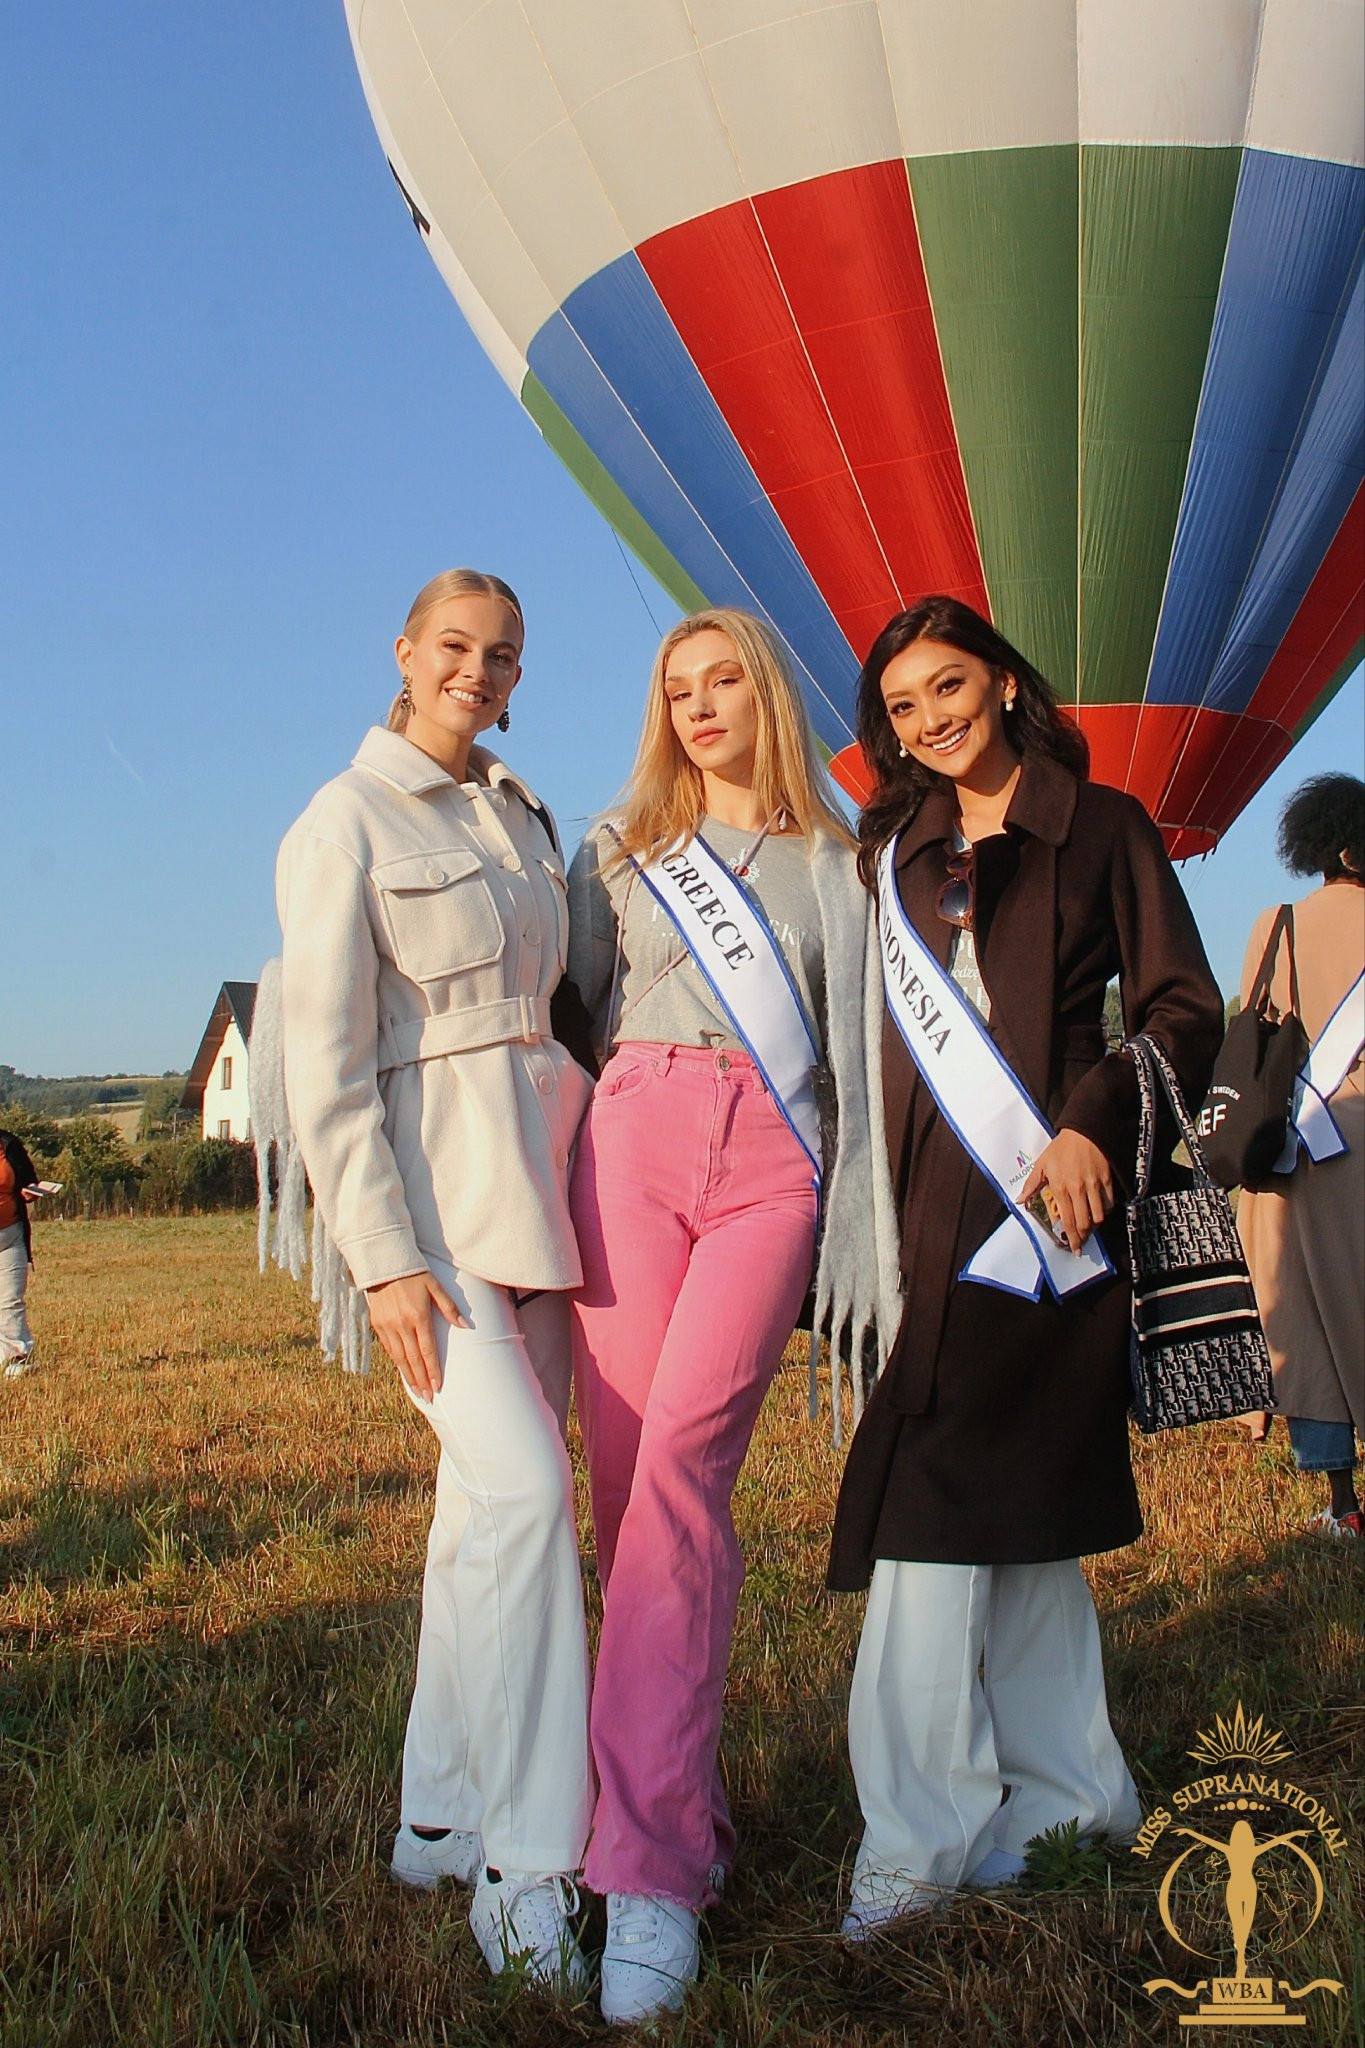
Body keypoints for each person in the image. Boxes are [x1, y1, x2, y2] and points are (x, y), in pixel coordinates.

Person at [827, 596, 1224, 1935]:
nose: (930, 719)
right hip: (917, 1199)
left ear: (1003, 684)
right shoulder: (892, 844)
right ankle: (1019, 1811)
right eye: (902, 706)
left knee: (988, 1505)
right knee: (970, 1504)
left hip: (1055, 1201)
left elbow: (1184, 1006)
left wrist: (1087, 1122)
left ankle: (973, 1831)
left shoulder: (1101, 827)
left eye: (950, 688)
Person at [565, 608, 901, 2024]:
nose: (700, 707)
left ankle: (645, 1873)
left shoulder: (842, 866)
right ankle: (673, 1813)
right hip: (630, 1139)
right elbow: (566, 1013)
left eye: (723, 683)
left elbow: (870, 1070)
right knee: (628, 1493)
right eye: (676, 689)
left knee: (686, 1485)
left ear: (765, 694)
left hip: (774, 1164)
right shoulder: (614, 849)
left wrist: (865, 1239)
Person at [275, 569, 594, 1992]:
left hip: (551, 1193)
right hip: (437, 1225)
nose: (477, 668)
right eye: (453, 645)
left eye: (502, 652)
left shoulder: (526, 818)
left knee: (478, 1522)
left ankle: (434, 1813)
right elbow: (326, 1075)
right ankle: (531, 1865)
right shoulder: (339, 822)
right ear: (402, 651)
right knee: (528, 1502)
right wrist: (384, 1262)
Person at [1237, 774, 1364, 1536]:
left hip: (1298, 1149)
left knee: (1306, 1319)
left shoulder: (1276, 922)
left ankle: (1341, 1507)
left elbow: (1258, 1026)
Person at [0, 1127, 40, 1377]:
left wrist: (29, 1191)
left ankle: (17, 1359)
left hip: (11, 1235)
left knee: (11, 1299)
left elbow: (28, 1180)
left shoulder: (9, 1144)